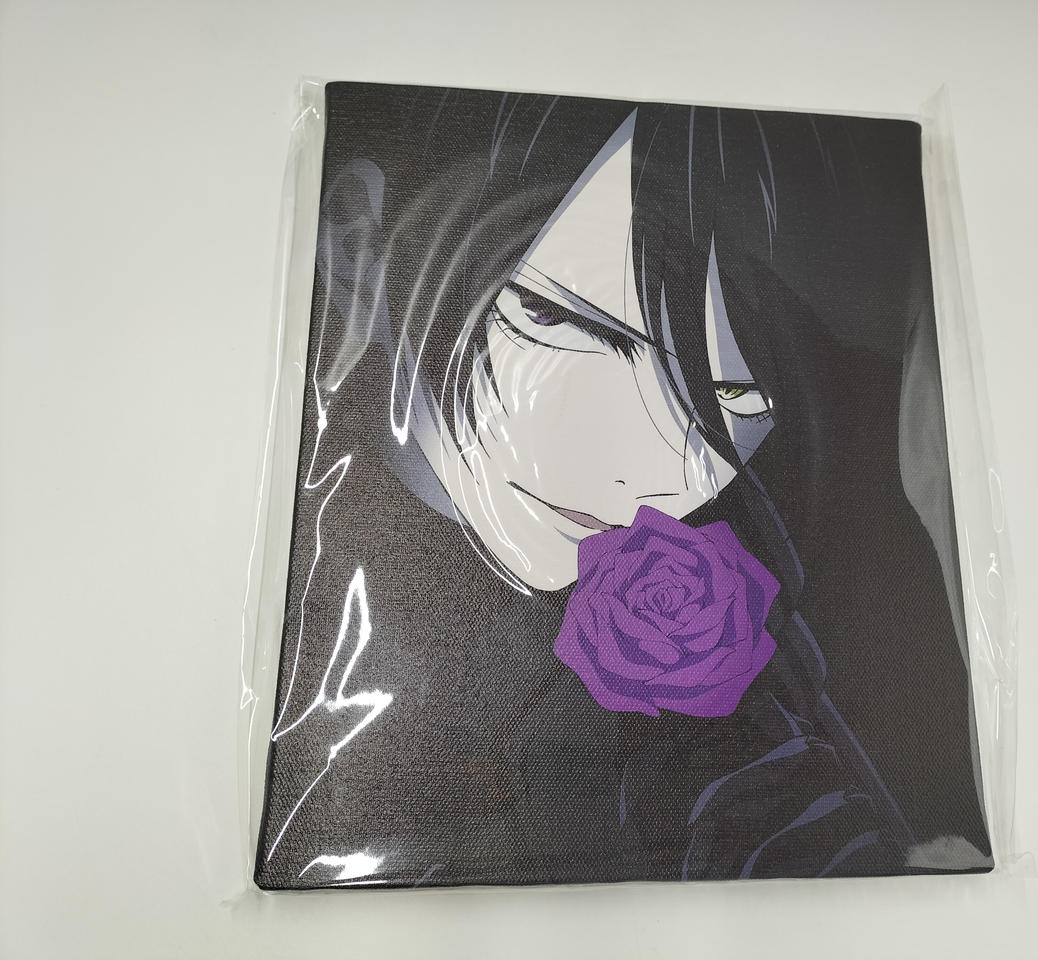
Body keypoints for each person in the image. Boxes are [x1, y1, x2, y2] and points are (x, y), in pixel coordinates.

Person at [255, 84, 992, 888]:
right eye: (555, 319)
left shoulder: (816, 532)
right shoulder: (314, 584)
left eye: (735, 393)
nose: (640, 475)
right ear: (356, 242)